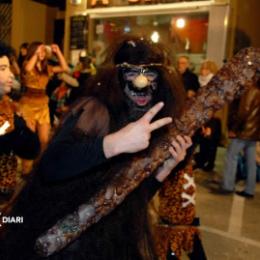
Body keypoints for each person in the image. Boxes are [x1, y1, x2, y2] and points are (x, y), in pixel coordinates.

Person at [0, 36, 192, 259]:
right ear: (119, 78)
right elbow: (50, 165)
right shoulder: (95, 110)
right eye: (133, 75)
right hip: (68, 243)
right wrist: (113, 144)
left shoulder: (145, 120)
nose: (143, 84)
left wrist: (161, 173)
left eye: (150, 76)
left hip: (108, 243)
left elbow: (123, 201)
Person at [18, 42, 69, 176]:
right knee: (29, 139)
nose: (42, 53)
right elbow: (28, 69)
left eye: (43, 51)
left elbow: (65, 68)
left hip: (42, 106)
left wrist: (58, 52)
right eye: (39, 51)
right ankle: (26, 169)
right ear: (34, 51)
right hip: (27, 105)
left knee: (44, 140)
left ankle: (38, 166)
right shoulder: (26, 64)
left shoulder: (47, 68)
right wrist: (36, 53)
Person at [0, 42, 40, 203]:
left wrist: (22, 128)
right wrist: (18, 127)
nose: (11, 75)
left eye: (9, 68)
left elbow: (30, 150)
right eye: (3, 69)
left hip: (6, 192)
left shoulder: (9, 106)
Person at [216, 79, 260, 198]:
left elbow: (244, 111)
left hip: (243, 130)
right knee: (251, 161)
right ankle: (250, 190)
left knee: (231, 156)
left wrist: (234, 129)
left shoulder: (250, 90)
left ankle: (228, 185)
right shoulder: (257, 89)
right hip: (253, 131)